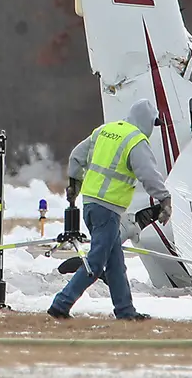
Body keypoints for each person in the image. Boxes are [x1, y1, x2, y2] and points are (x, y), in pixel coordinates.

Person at [48, 98, 171, 321]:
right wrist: (164, 199)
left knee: (115, 263)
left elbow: (77, 155)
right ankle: (61, 304)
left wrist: (75, 183)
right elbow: (149, 174)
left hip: (91, 204)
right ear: (146, 120)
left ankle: (125, 312)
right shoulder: (136, 140)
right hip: (107, 209)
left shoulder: (104, 130)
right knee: (95, 263)